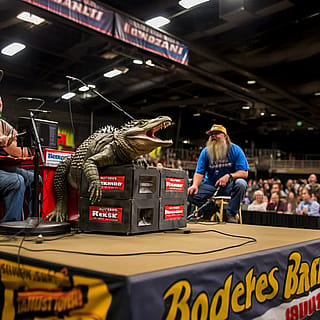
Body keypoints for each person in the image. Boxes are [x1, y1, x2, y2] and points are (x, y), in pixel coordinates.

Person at [188, 124, 249, 223]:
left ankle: (231, 213)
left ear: (225, 136)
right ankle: (209, 210)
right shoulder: (205, 152)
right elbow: (199, 173)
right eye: (211, 134)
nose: (213, 136)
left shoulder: (235, 150)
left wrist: (229, 176)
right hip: (211, 185)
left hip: (230, 186)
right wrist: (195, 185)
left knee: (241, 184)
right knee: (190, 193)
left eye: (217, 133)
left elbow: (244, 173)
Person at [0, 92, 35, 222]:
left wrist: (11, 144)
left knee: (35, 179)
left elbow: (20, 151)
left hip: (3, 168)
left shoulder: (3, 124)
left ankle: (32, 220)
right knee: (16, 181)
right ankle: (10, 225)